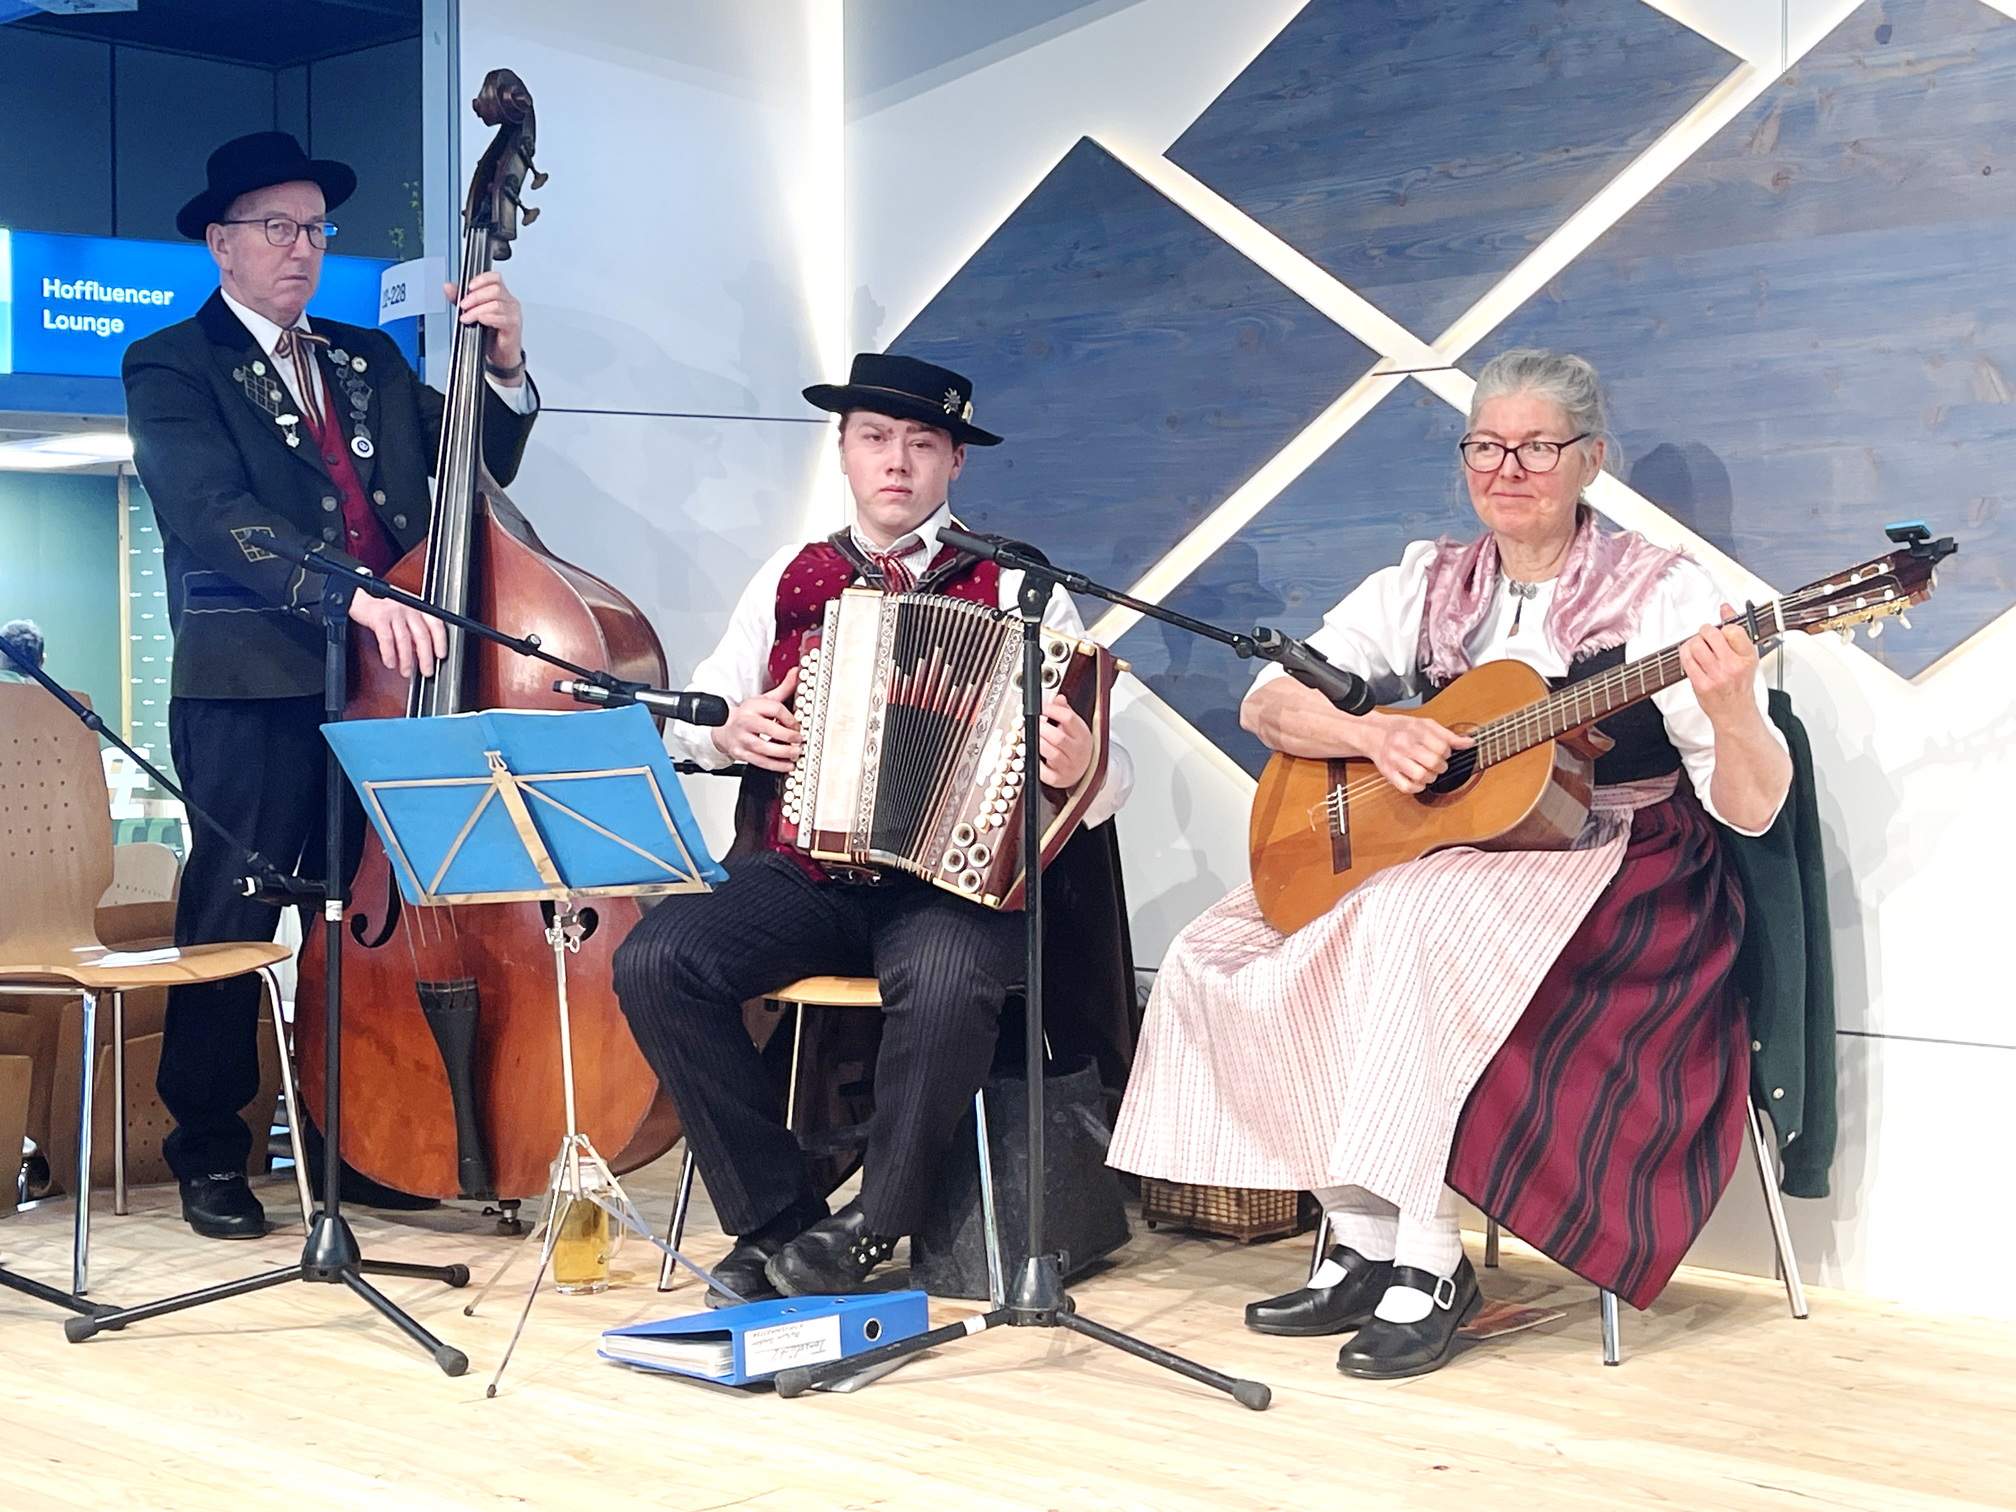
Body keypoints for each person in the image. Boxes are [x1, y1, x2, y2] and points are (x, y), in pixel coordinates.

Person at [1107, 349, 1791, 1380]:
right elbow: (1268, 703)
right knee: (1227, 945)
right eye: (1486, 446)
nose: (1507, 469)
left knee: (1404, 917)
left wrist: (1734, 710)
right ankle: (1357, 1235)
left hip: (1627, 867)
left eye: (1538, 448)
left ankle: (1430, 1263)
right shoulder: (1427, 580)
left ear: (1591, 460)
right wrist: (1374, 734)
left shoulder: (1664, 592)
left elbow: (1752, 807)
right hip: (1461, 856)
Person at [613, 352, 1134, 1303]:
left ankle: (871, 1225)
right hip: (804, 874)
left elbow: (1108, 775)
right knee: (656, 960)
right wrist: (728, 732)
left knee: (947, 977)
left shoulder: (1018, 587)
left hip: (950, 882)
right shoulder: (791, 575)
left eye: (922, 443)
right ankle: (779, 1221)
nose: (897, 461)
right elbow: (701, 715)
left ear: (955, 463)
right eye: (875, 438)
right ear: (845, 451)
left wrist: (1083, 764)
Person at [123, 131, 538, 1240]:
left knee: (370, 915)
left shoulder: (370, 357)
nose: (301, 247)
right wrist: (351, 594)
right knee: (237, 906)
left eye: (314, 228)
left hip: (387, 682)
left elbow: (478, 460)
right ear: (221, 244)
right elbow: (211, 514)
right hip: (252, 682)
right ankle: (209, 1148)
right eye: (277, 227)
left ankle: (355, 1137)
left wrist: (501, 366)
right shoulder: (171, 364)